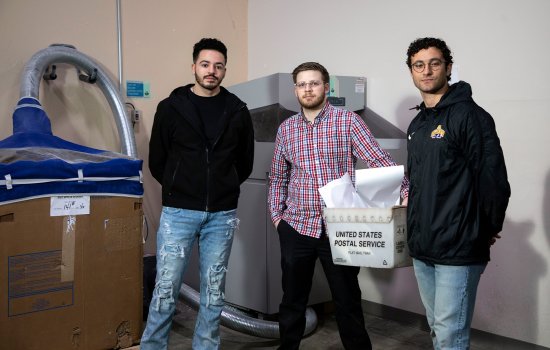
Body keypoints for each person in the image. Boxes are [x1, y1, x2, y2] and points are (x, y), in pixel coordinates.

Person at [268, 61, 409, 350]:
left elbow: (378, 159)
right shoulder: (286, 129)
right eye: (302, 84)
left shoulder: (348, 121)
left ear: (326, 86)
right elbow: (278, 177)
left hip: (340, 226)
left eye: (314, 83)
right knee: (292, 300)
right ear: (296, 90)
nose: (308, 89)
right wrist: (277, 218)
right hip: (296, 226)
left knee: (346, 299)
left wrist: (404, 191)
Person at [141, 38, 254, 350]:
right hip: (178, 213)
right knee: (166, 288)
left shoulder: (238, 111)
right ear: (194, 67)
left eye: (218, 66)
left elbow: (244, 162)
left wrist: (224, 186)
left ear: (224, 70)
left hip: (222, 215)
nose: (211, 71)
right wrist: (180, 189)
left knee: (214, 291)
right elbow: (157, 160)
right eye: (205, 64)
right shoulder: (171, 108)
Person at [405, 37, 511, 350]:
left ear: (448, 67)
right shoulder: (418, 123)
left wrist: (486, 228)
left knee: (451, 334)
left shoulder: (470, 117)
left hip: (459, 245)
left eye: (434, 63)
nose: (426, 71)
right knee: (438, 328)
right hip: (423, 245)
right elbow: (419, 183)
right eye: (418, 65)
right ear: (411, 71)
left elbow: (493, 179)